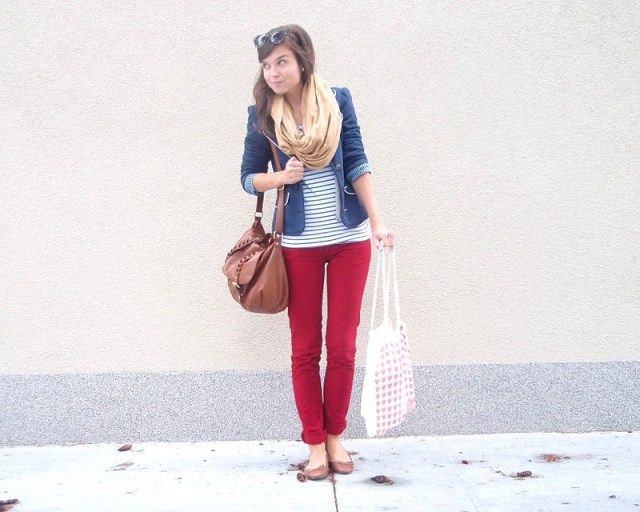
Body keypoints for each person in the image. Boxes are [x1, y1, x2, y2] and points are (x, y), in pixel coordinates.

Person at [240, 24, 394, 481]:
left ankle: (335, 436)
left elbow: (358, 160)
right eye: (266, 65)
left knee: (342, 346)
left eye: (281, 62)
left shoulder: (337, 100)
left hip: (349, 241)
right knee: (305, 349)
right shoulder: (262, 115)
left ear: (302, 60)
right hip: (298, 248)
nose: (273, 72)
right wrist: (279, 178)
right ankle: (313, 444)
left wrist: (378, 221)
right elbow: (248, 177)